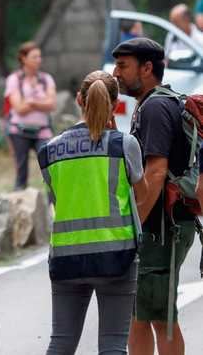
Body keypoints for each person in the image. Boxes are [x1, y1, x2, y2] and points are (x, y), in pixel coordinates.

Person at [38, 70, 146, 354]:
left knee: (61, 341)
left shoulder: (49, 151)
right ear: (115, 103)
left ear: (78, 100)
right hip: (117, 257)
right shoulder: (124, 145)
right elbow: (142, 193)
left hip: (65, 257)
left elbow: (57, 197)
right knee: (113, 344)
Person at [113, 38, 196, 355]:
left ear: (147, 68)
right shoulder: (155, 103)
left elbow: (156, 172)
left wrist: (134, 228)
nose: (117, 73)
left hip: (162, 228)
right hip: (163, 226)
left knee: (160, 317)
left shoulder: (156, 108)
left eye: (123, 65)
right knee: (140, 315)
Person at [4, 41, 57, 190]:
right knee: (21, 170)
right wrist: (40, 102)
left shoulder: (47, 79)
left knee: (50, 167)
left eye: (39, 57)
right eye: (34, 57)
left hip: (43, 130)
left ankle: (52, 206)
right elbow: (19, 108)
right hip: (18, 130)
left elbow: (52, 104)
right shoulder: (14, 79)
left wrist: (31, 102)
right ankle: (20, 204)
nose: (38, 60)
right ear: (23, 58)